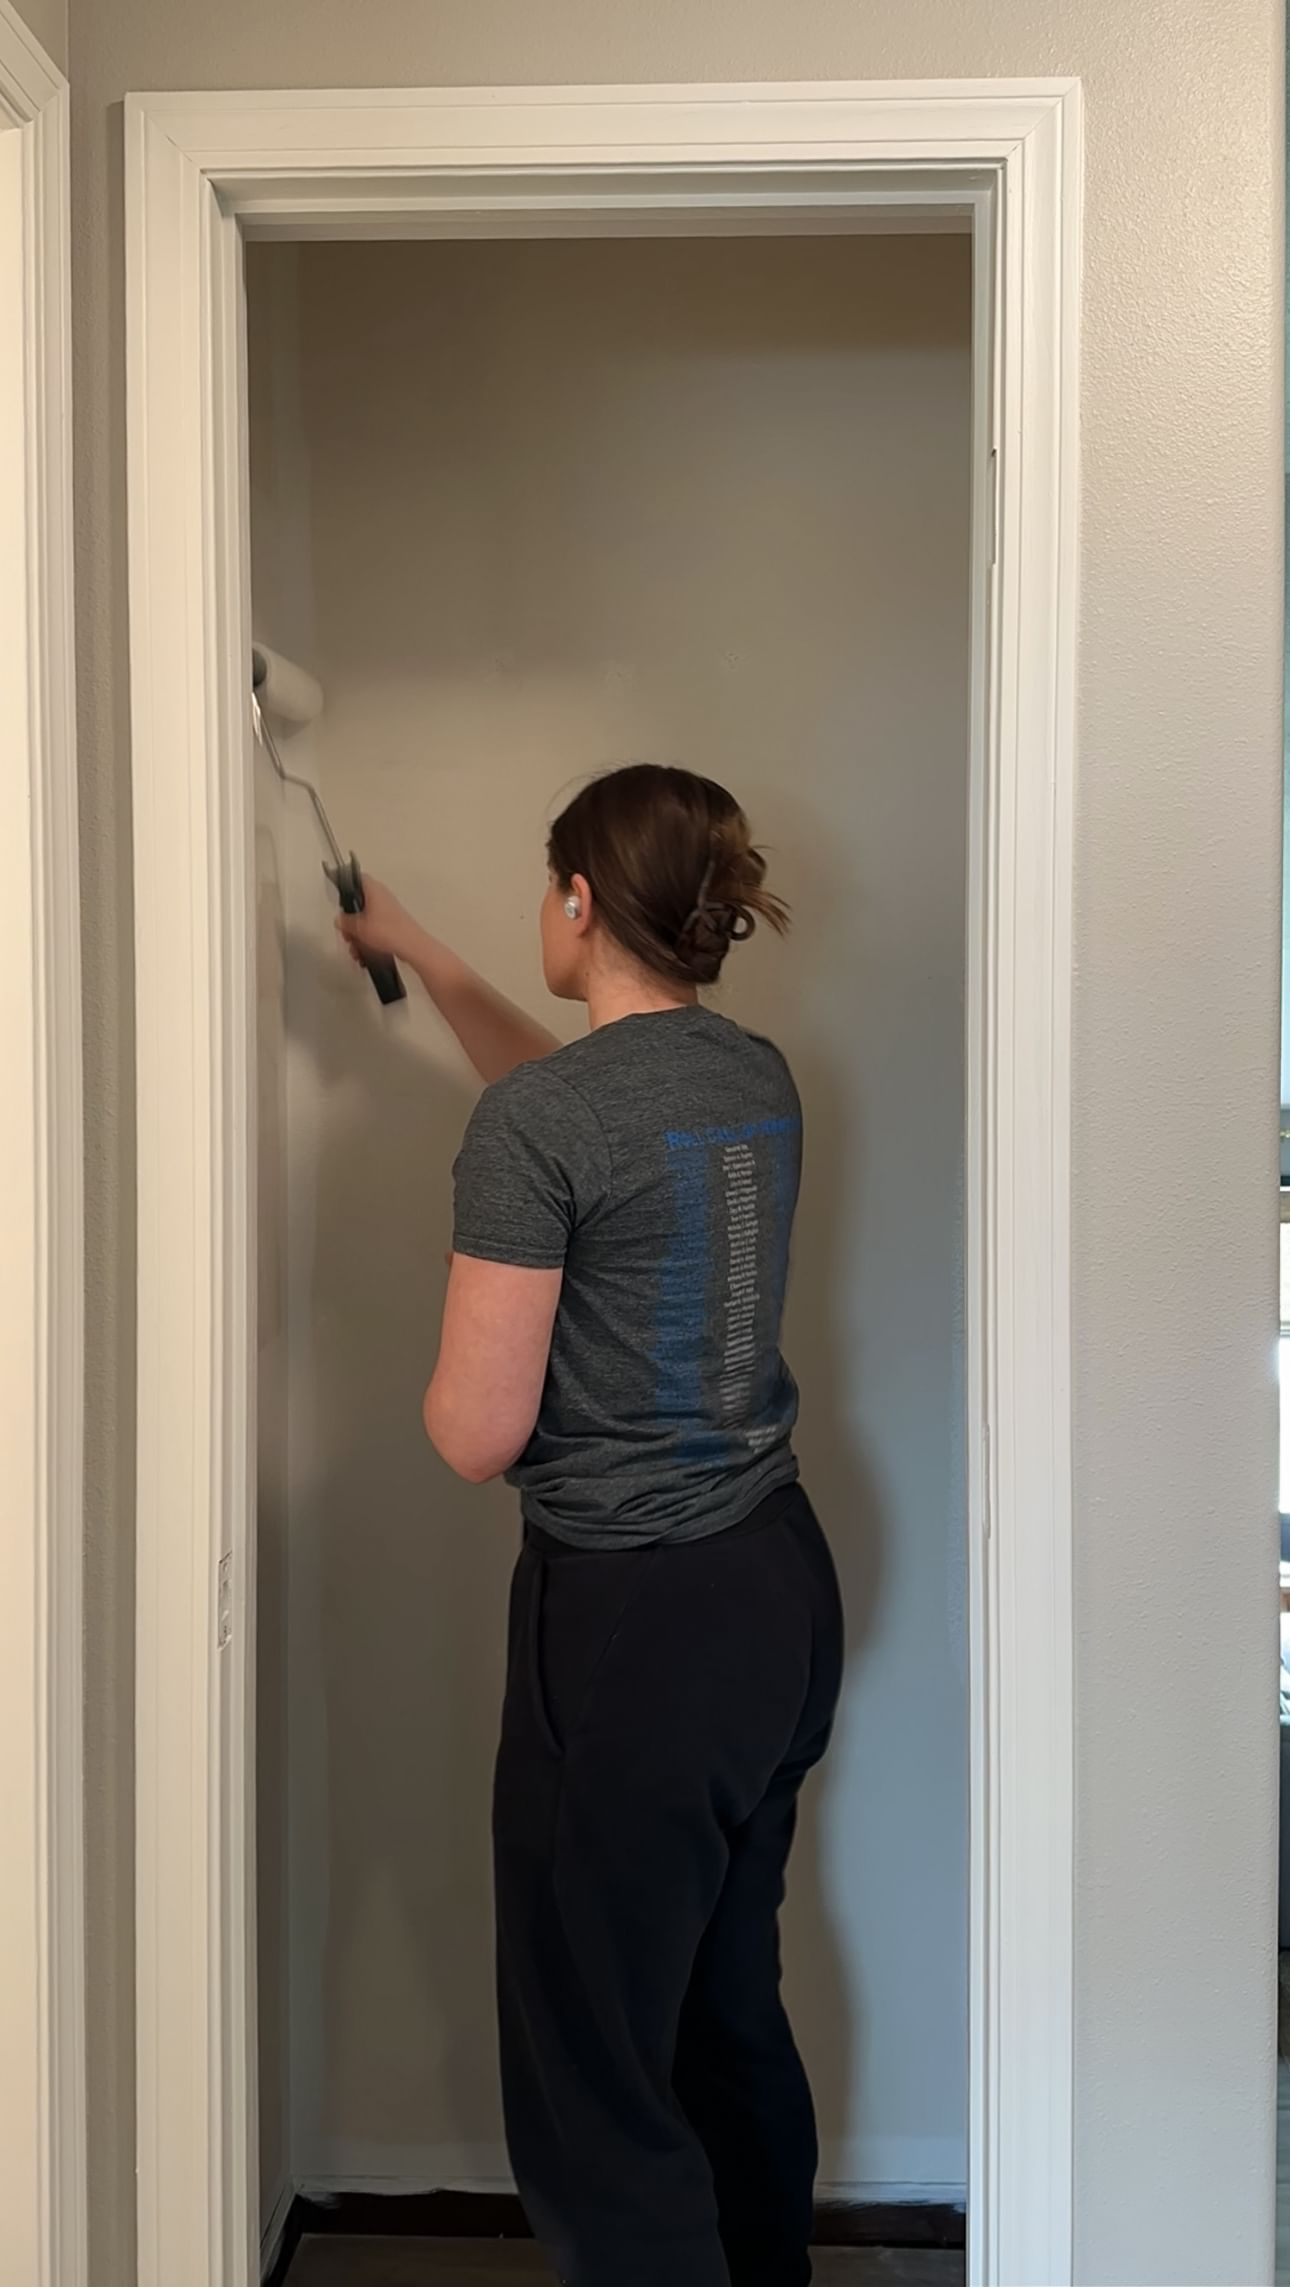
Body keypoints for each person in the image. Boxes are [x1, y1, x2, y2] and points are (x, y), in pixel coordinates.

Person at [341, 763, 844, 2287]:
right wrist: (425, 960)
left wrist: (415, 1378)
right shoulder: (749, 1072)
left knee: (591, 2073)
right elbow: (566, 1104)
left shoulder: (541, 1130)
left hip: (630, 1631)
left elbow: (476, 1435)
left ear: (575, 900)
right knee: (709, 2008)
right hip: (770, 1594)